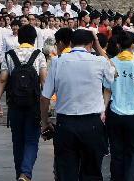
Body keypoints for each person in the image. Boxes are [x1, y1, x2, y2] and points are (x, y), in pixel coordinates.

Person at [39, 29, 112, 181]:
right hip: (92, 123)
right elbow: (114, 73)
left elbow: (45, 97)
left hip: (66, 124)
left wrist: (45, 122)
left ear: (71, 43)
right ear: (91, 43)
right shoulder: (99, 61)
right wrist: (99, 48)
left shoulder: (58, 62)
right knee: (92, 171)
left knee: (66, 172)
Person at [0, 24, 47, 181]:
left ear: (18, 38)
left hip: (14, 104)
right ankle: (26, 173)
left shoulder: (9, 55)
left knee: (17, 140)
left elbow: (3, 79)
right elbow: (44, 80)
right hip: (33, 105)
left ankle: (20, 174)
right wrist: (48, 105)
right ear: (34, 39)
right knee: (31, 139)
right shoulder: (39, 55)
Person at [104, 31, 134, 181]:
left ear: (118, 45)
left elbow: (107, 90)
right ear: (133, 45)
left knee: (117, 152)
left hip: (115, 112)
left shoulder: (112, 63)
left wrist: (103, 111)